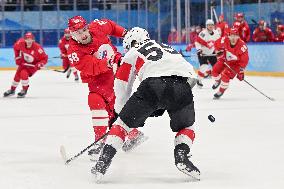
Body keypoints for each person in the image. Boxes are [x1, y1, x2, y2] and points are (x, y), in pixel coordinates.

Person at [91, 27, 200, 182]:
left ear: (129, 43)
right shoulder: (169, 48)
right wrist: (166, 102)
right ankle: (182, 156)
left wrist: (119, 115)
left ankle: (103, 162)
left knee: (122, 125)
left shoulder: (132, 52)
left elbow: (122, 86)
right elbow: (191, 76)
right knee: (186, 127)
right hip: (182, 86)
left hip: (152, 86)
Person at [67, 16, 147, 159]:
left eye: (84, 29)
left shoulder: (97, 26)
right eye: (78, 32)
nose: (84, 34)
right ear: (72, 34)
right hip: (98, 79)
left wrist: (126, 34)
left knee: (105, 105)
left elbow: (111, 26)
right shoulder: (74, 51)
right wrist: (109, 62)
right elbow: (90, 66)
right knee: (108, 110)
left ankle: (101, 141)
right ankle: (133, 134)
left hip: (116, 73)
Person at [3, 32, 48, 98]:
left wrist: (40, 64)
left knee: (23, 73)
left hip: (33, 65)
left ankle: (24, 90)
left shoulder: (38, 48)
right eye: (27, 39)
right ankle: (12, 90)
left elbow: (45, 58)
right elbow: (15, 48)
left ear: (33, 40)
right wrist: (17, 58)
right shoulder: (20, 43)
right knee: (17, 75)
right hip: (24, 62)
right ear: (24, 39)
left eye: (30, 39)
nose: (29, 41)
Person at [211, 28, 249, 99]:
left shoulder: (242, 46)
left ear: (238, 36)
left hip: (235, 64)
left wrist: (241, 71)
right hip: (224, 60)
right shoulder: (224, 40)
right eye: (232, 35)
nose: (233, 38)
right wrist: (219, 54)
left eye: (235, 35)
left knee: (225, 76)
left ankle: (221, 91)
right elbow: (216, 44)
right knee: (214, 71)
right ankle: (218, 80)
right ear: (228, 36)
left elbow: (244, 60)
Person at [195, 19, 220, 87]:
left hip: (212, 52)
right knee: (204, 66)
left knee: (216, 67)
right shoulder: (203, 33)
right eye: (209, 25)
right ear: (206, 26)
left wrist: (219, 50)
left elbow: (219, 43)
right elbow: (197, 42)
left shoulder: (217, 33)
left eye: (211, 25)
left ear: (213, 25)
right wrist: (199, 50)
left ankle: (217, 81)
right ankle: (199, 80)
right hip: (203, 53)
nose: (210, 26)